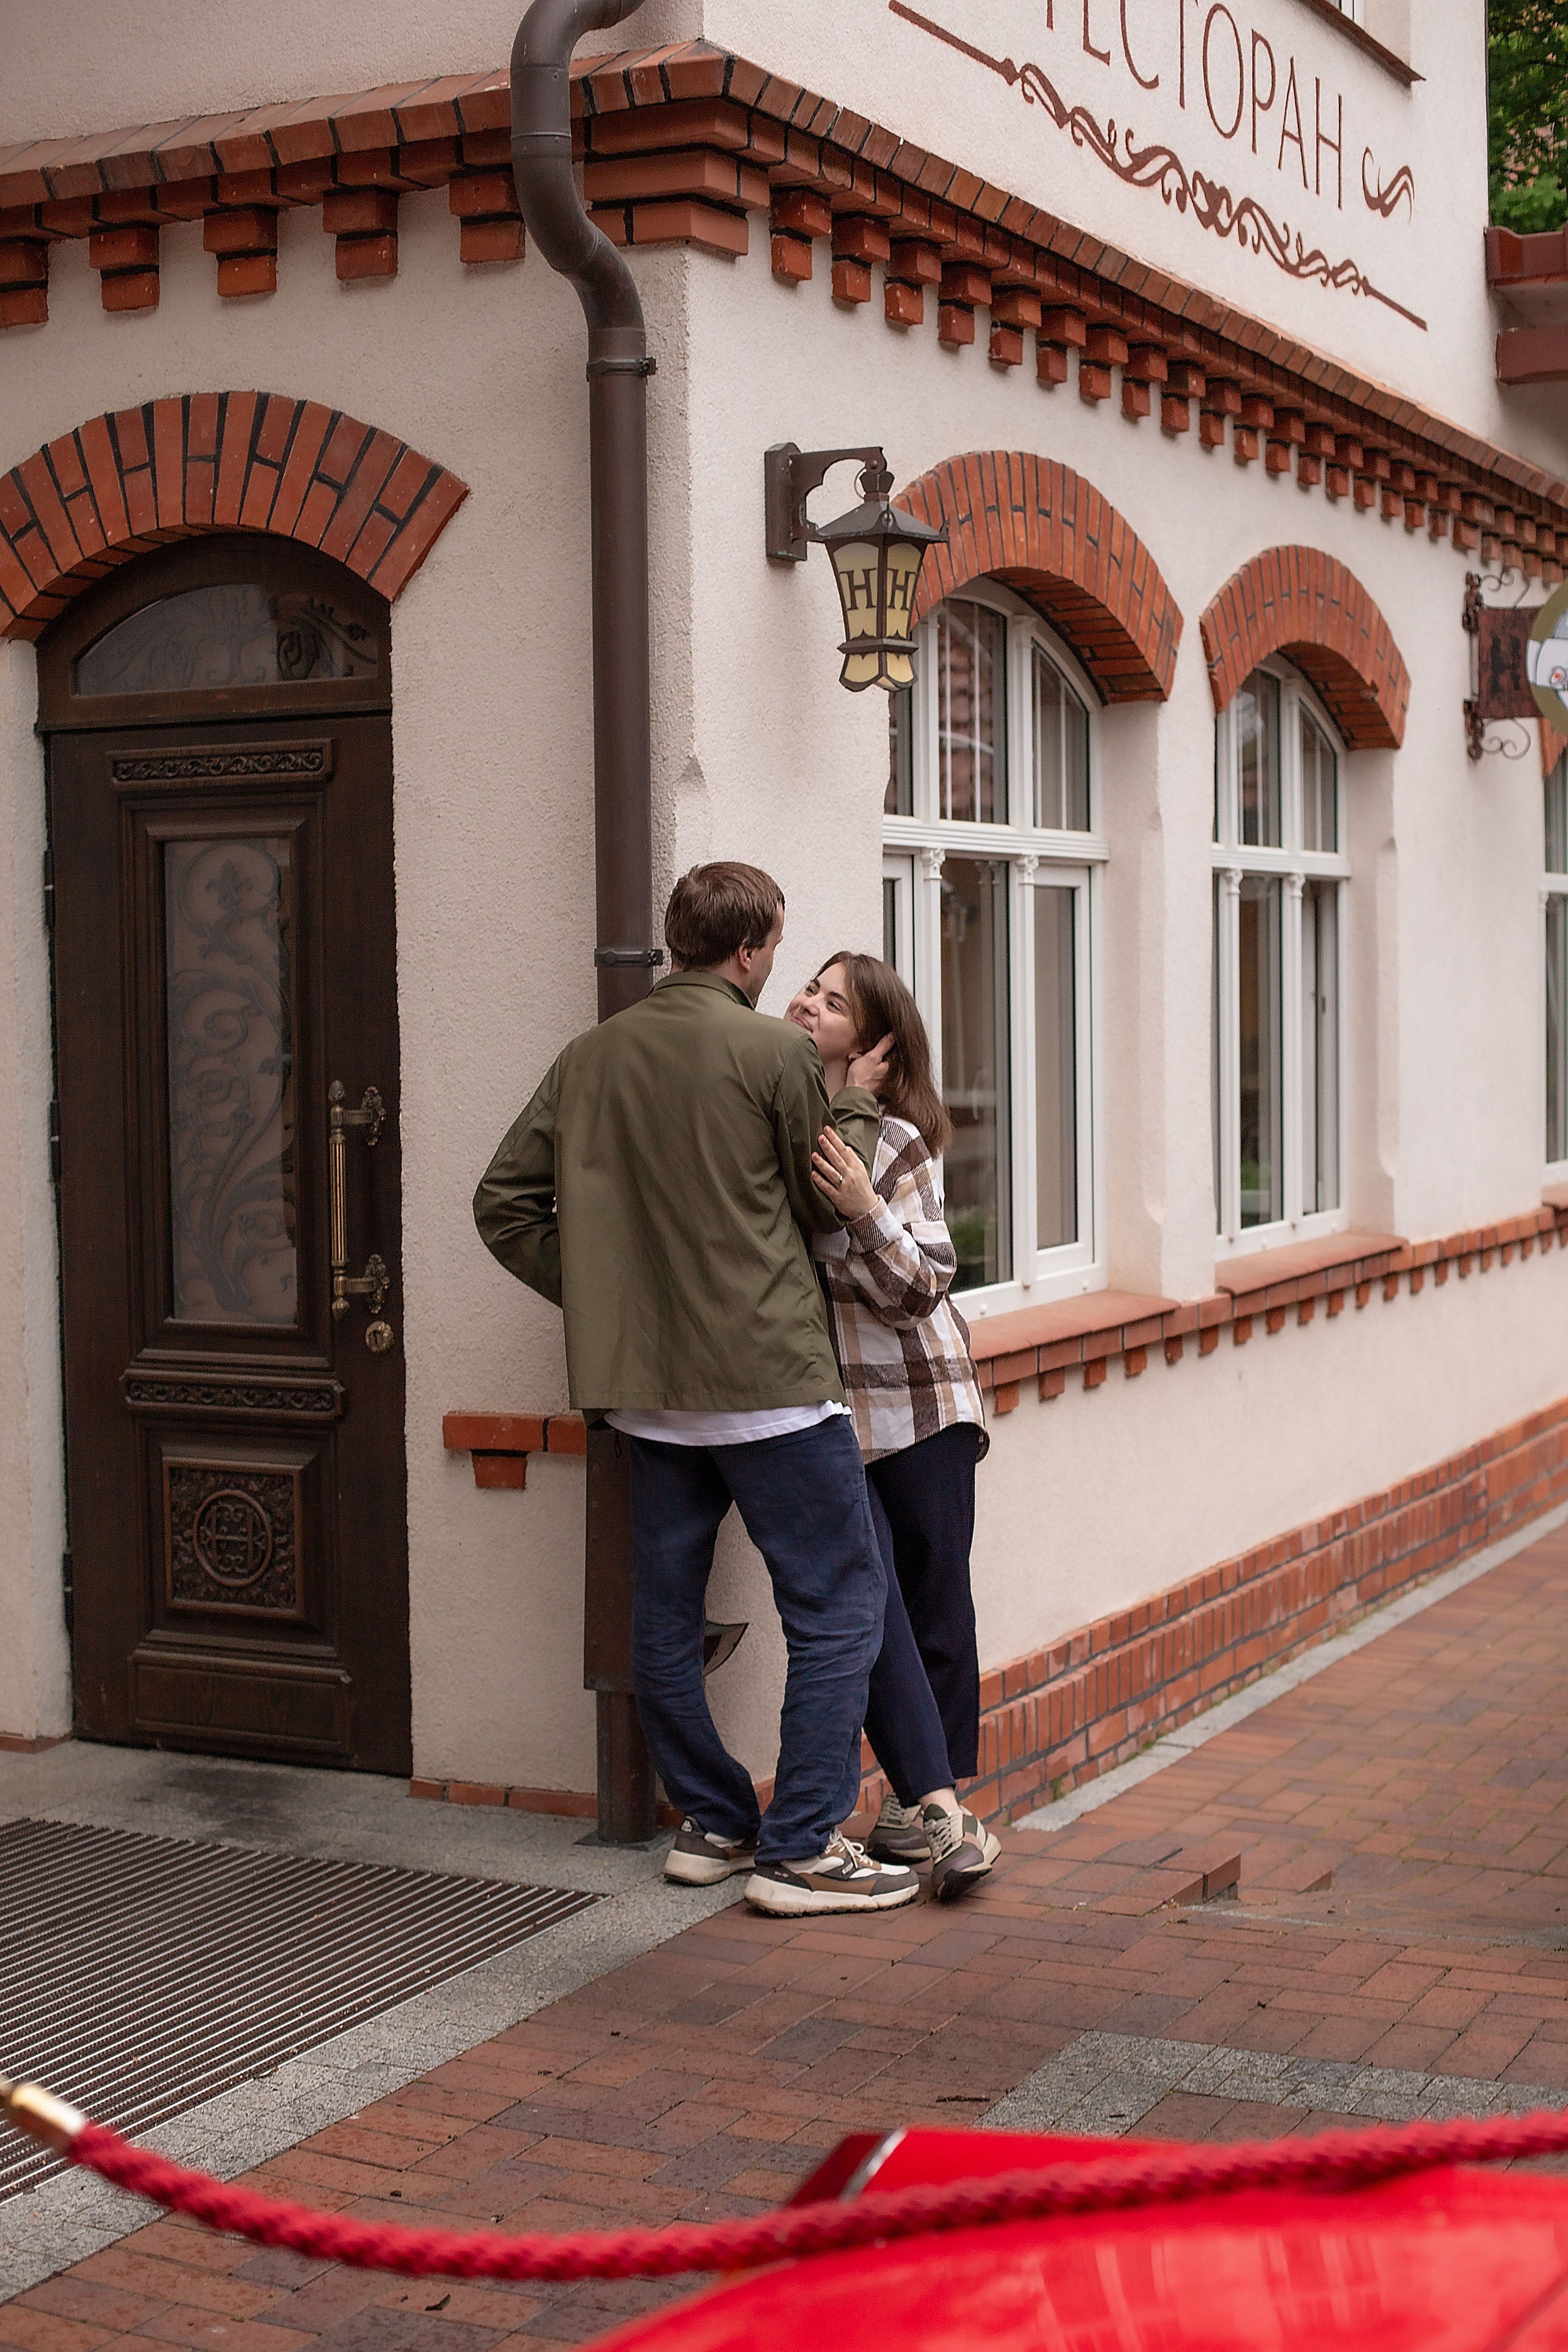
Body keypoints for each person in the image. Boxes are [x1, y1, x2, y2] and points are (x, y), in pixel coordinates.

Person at [472, 863, 922, 1917]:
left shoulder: (590, 1055)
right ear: (752, 949)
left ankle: (716, 1822)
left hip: (647, 1396)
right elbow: (826, 1205)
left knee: (665, 1616)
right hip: (768, 1386)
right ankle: (800, 1848)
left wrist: (608, 1295)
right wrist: (857, 1104)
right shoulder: (775, 1052)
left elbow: (503, 1206)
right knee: (838, 1604)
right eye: (778, 950)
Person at [785, 952, 1001, 1902]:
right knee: (870, 1614)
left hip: (920, 1406)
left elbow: (921, 1288)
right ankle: (931, 1800)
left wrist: (865, 1209)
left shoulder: (899, 1144)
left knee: (936, 1606)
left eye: (834, 1002)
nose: (809, 1003)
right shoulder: (791, 1124)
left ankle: (928, 1811)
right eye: (810, 987)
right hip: (833, 1419)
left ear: (872, 1043)